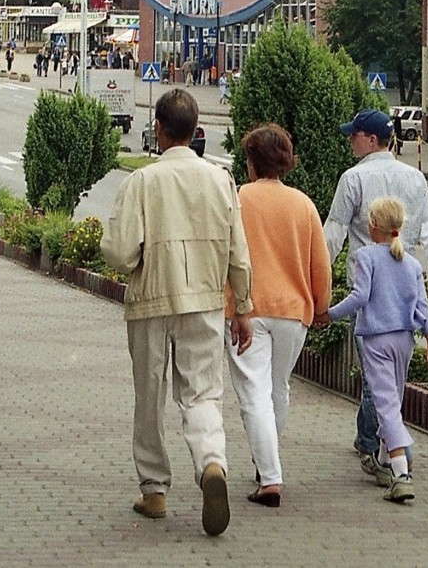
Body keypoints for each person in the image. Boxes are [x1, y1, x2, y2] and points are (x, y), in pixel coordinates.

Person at [101, 88, 253, 538]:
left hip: (150, 300)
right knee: (203, 393)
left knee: (149, 396)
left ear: (160, 130)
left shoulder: (142, 182)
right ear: (196, 130)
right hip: (205, 302)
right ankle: (211, 464)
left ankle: (154, 490)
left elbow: (118, 251)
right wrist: (242, 306)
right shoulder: (221, 180)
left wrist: (136, 261)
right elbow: (238, 253)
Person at [323, 108, 428, 479]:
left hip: (367, 290)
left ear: (371, 140)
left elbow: (332, 236)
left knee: (373, 373)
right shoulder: (414, 178)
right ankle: (372, 435)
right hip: (404, 285)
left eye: (355, 135)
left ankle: (374, 446)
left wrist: (315, 283)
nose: (350, 140)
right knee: (385, 374)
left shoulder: (352, 179)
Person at [224, 124, 331, 506]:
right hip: (293, 312)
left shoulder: (237, 199)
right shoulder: (303, 204)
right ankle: (265, 460)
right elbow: (321, 263)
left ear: (251, 162)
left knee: (253, 394)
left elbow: (226, 255)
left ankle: (269, 477)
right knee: (277, 388)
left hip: (246, 310)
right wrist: (320, 307)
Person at [320, 197, 428, 503]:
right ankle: (388, 463)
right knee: (394, 401)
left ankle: (402, 474)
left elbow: (360, 297)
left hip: (376, 340)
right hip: (405, 339)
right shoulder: (412, 263)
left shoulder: (366, 256)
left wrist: (328, 314)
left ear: (373, 225)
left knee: (385, 404)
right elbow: (422, 306)